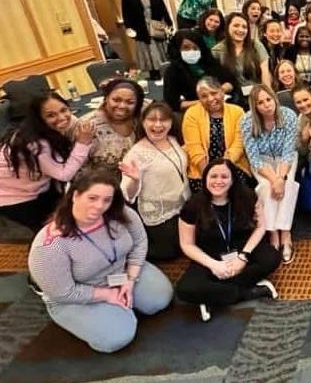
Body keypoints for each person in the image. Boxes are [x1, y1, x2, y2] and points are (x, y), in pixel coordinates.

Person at [27, 169, 173, 352]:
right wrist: (107, 295)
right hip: (78, 292)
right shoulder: (50, 245)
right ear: (75, 196)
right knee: (117, 337)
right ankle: (106, 314)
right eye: (92, 198)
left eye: (106, 200)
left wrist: (130, 279)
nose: (99, 206)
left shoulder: (121, 214)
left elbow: (140, 242)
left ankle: (120, 308)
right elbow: (63, 292)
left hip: (121, 272)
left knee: (160, 298)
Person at [176, 158, 281, 322]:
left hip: (242, 248)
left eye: (224, 177)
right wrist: (214, 265)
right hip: (210, 254)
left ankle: (213, 295)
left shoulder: (247, 196)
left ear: (232, 180)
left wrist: (243, 257)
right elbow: (187, 244)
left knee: (272, 258)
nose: (218, 181)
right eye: (213, 176)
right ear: (205, 179)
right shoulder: (193, 205)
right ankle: (247, 292)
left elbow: (261, 227)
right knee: (185, 289)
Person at [0, 93, 93, 233]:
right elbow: (64, 174)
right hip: (15, 197)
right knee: (59, 229)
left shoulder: (47, 126)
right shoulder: (36, 143)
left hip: (38, 186)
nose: (62, 118)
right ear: (39, 119)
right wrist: (83, 144)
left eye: (64, 110)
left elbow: (74, 121)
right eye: (51, 115)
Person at [119, 102, 189, 261]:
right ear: (143, 122)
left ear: (171, 122)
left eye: (163, 120)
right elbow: (127, 194)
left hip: (182, 204)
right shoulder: (136, 153)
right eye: (152, 119)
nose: (158, 125)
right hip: (160, 211)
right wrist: (135, 180)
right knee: (169, 254)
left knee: (192, 243)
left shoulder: (174, 140)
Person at [242, 85, 299, 264]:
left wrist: (281, 178)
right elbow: (254, 158)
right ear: (255, 106)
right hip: (263, 162)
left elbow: (288, 152)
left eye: (268, 99)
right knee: (266, 187)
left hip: (285, 159)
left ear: (274, 98)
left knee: (288, 184)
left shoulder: (288, 115)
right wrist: (274, 180)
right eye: (260, 102)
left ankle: (286, 234)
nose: (267, 105)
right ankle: (273, 233)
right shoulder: (247, 121)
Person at [182, 77, 252, 192]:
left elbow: (238, 145)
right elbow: (195, 149)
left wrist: (222, 171)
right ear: (199, 99)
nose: (210, 99)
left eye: (214, 93)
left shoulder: (237, 112)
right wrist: (209, 176)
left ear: (222, 92)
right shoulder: (191, 114)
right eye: (204, 96)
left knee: (239, 193)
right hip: (202, 170)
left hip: (233, 165)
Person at [77, 79, 145, 173]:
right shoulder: (87, 125)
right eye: (116, 100)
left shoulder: (142, 118)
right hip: (101, 180)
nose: (122, 106)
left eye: (130, 102)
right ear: (106, 98)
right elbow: (78, 168)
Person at [164, 30, 238, 112]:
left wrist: (221, 90)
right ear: (177, 49)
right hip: (195, 111)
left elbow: (231, 81)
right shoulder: (172, 71)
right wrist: (204, 101)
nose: (191, 51)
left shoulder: (209, 62)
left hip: (223, 107)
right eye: (186, 48)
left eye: (195, 48)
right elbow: (173, 104)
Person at [121, 0, 172, 80]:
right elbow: (125, 11)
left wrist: (168, 22)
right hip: (140, 26)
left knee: (160, 50)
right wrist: (128, 27)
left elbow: (162, 6)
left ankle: (165, 74)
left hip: (155, 24)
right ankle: (153, 75)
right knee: (146, 50)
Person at [212, 12, 272, 95]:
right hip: (232, 97)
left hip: (256, 94)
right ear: (227, 27)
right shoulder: (217, 51)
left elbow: (265, 72)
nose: (240, 30)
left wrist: (268, 94)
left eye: (244, 27)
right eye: (236, 25)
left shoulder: (256, 45)